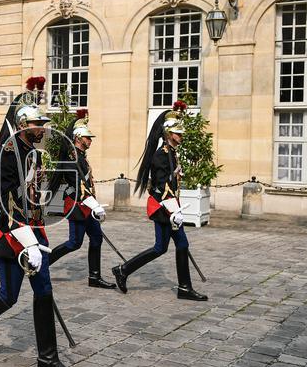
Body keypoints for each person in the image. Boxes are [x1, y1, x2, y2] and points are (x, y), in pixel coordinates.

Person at [0, 76, 81, 367]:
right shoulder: (6, 157)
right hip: (12, 234)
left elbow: (31, 196)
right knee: (8, 296)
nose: (43, 128)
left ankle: (47, 360)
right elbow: (6, 204)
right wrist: (27, 241)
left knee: (44, 291)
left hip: (32, 230)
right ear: (24, 126)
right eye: (38, 124)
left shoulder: (33, 153)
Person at [111, 100, 208, 301]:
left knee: (173, 246)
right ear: (168, 134)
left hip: (170, 208)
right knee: (165, 246)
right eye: (178, 133)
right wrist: (174, 210)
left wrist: (175, 174)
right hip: (164, 208)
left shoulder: (171, 153)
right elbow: (162, 188)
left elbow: (169, 181)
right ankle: (124, 270)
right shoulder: (161, 156)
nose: (181, 136)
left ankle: (182, 287)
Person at [46, 109, 116, 289]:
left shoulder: (81, 158)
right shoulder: (71, 160)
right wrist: (94, 205)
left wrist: (94, 204)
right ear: (78, 138)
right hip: (77, 206)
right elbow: (79, 186)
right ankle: (43, 264)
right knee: (74, 243)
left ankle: (94, 277)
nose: (90, 140)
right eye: (87, 137)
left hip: (87, 205)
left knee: (96, 238)